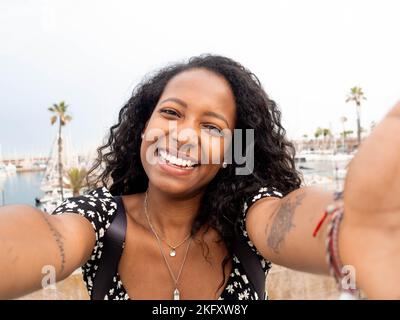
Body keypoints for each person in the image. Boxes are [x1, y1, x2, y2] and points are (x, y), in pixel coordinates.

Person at [1, 55, 399, 300]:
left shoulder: (248, 217)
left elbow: (285, 219)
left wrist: (350, 227)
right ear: (144, 126)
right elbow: (44, 234)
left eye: (212, 127)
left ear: (235, 150)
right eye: (171, 113)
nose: (184, 134)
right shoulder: (100, 218)